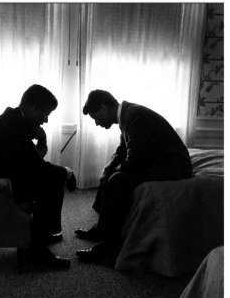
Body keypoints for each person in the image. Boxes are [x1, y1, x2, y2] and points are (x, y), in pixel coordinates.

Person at [75, 89, 192, 263]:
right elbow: (123, 150)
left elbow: (135, 158)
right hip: (156, 159)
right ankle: (101, 230)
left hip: (172, 165)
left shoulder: (135, 116)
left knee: (117, 181)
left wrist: (115, 172)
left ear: (103, 108)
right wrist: (109, 168)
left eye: (96, 118)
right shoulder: (128, 115)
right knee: (109, 175)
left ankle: (109, 248)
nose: (97, 123)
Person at [0, 84, 77, 268]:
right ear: (34, 108)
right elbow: (37, 168)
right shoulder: (14, 128)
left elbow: (27, 163)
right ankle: (35, 253)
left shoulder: (14, 121)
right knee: (53, 180)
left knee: (50, 178)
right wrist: (67, 172)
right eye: (46, 114)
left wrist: (41, 140)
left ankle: (42, 235)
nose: (46, 120)